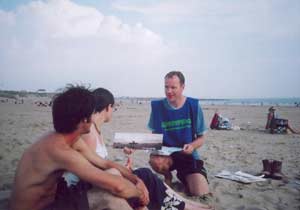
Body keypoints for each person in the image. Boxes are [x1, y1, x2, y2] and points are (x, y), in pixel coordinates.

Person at [66, 87, 211, 210]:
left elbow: (99, 163)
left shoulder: (96, 130)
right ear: (107, 107)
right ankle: (185, 206)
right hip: (90, 187)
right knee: (146, 176)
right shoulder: (89, 132)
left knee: (146, 175)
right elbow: (91, 171)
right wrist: (121, 174)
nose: (113, 111)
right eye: (113, 108)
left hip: (101, 179)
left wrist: (123, 170)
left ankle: (186, 204)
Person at [9, 85, 148, 210]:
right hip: (43, 207)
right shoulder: (60, 151)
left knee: (114, 174)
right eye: (91, 113)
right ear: (84, 120)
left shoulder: (70, 138)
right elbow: (117, 187)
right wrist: (140, 194)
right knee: (107, 198)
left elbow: (105, 163)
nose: (94, 117)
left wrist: (136, 180)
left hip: (56, 198)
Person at [147, 71, 210, 197]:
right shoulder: (157, 107)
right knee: (155, 161)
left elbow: (202, 138)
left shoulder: (193, 106)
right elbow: (155, 134)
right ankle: (168, 176)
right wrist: (143, 148)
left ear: (182, 87)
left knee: (200, 192)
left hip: (188, 155)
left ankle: (186, 176)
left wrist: (192, 146)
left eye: (173, 87)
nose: (169, 91)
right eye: (166, 87)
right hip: (168, 155)